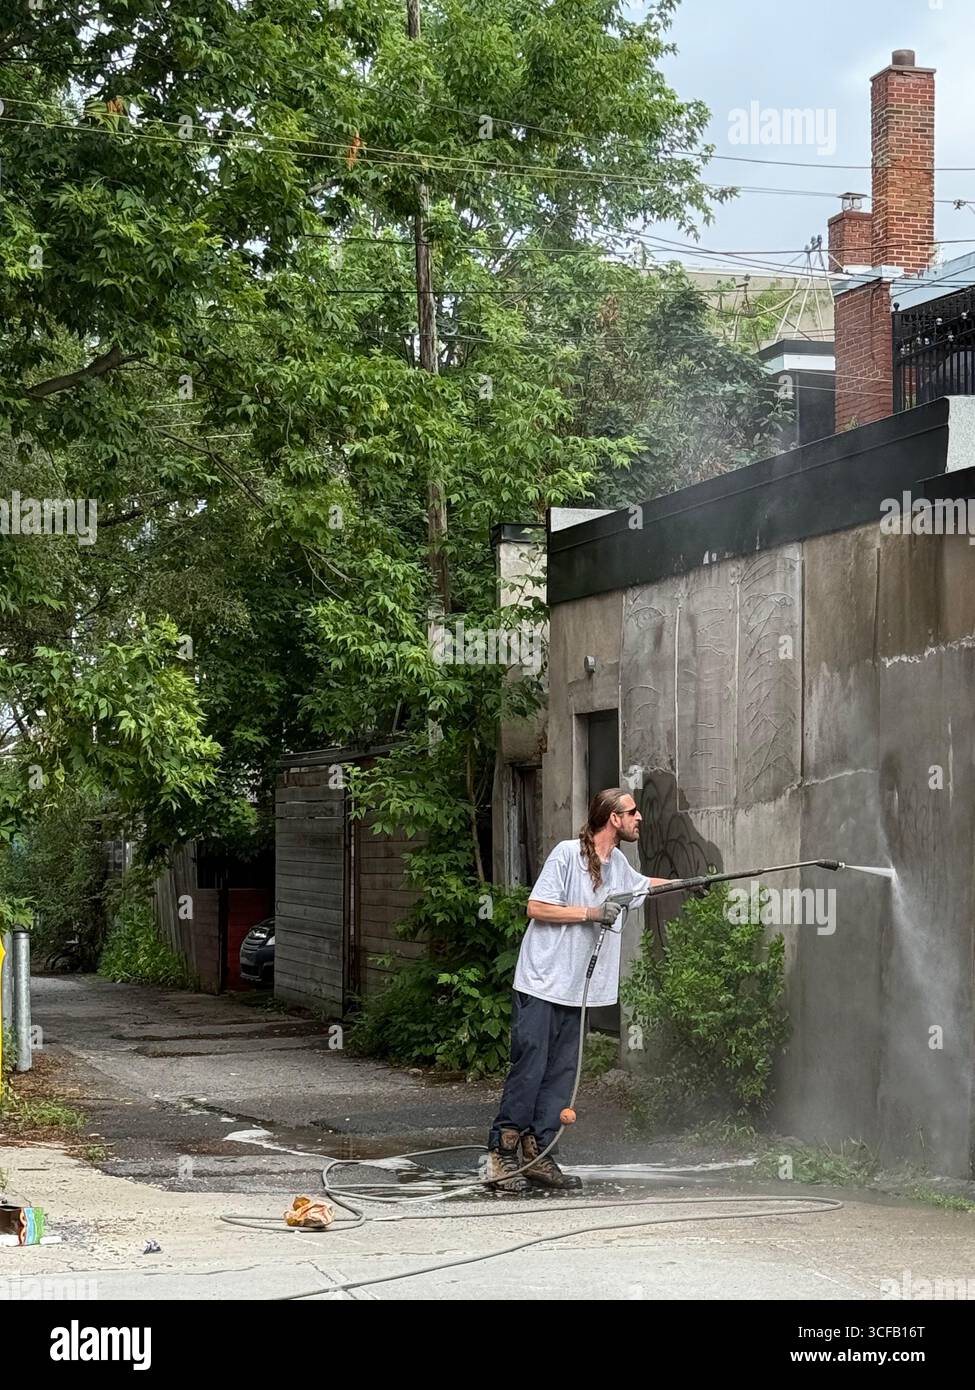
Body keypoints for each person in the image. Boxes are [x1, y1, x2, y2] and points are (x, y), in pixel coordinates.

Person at [485, 786, 670, 1194]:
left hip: (577, 991)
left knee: (562, 1074)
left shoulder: (618, 864)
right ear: (613, 818)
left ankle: (537, 1154)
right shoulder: (567, 854)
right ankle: (501, 1154)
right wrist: (591, 912)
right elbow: (537, 907)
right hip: (542, 980)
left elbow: (642, 886)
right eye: (632, 812)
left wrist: (686, 883)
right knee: (531, 1066)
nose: (639, 818)